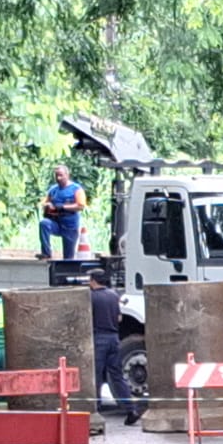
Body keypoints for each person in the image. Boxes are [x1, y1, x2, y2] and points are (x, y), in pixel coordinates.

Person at [87, 268, 142, 425]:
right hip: (114, 339)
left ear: (93, 281)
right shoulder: (113, 296)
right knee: (117, 376)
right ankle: (131, 410)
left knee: (96, 376)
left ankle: (95, 411)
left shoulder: (91, 297)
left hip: (99, 339)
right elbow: (118, 318)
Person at [37, 165, 86, 260]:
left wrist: (63, 207)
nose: (58, 178)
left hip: (70, 227)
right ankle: (46, 253)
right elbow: (44, 203)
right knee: (44, 224)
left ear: (67, 175)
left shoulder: (76, 189)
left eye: (61, 175)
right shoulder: (53, 190)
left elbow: (81, 206)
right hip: (56, 223)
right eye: (56, 176)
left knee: (68, 258)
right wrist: (47, 206)